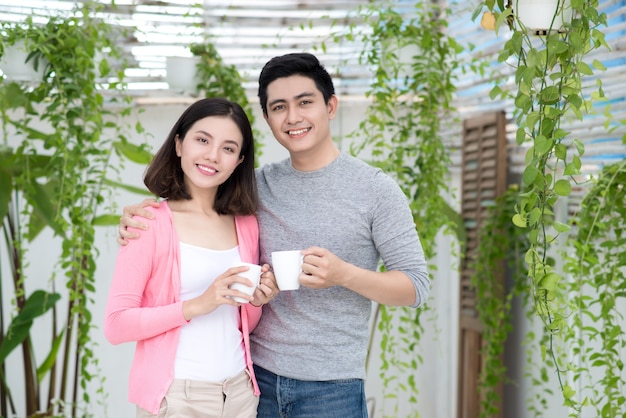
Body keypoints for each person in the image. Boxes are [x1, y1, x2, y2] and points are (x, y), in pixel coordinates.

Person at [118, 53, 430, 418]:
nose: (293, 117)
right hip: (252, 382)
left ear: (330, 106)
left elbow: (415, 286)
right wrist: (141, 212)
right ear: (267, 119)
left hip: (332, 389)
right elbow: (192, 204)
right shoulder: (254, 189)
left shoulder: (375, 190)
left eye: (305, 102)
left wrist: (344, 275)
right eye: (279, 107)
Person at [104, 97, 277, 418]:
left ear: (239, 160)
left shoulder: (246, 223)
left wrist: (256, 301)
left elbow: (241, 323)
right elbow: (116, 325)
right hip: (177, 397)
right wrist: (198, 304)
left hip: (239, 393)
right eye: (202, 140)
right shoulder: (149, 222)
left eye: (228, 148)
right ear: (179, 144)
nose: (212, 155)